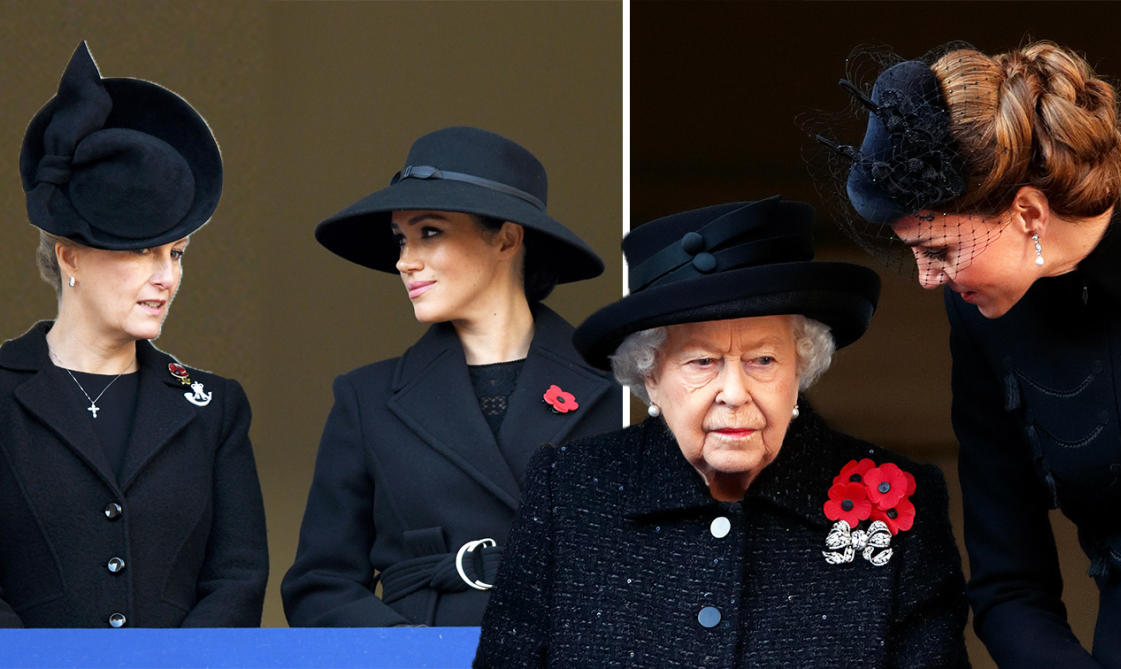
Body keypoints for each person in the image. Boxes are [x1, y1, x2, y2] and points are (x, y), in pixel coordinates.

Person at [823, 41, 1121, 667]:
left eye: (939, 250)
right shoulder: (984, 320)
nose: (926, 279)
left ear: (1026, 211)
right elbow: (1007, 585)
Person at [475, 196, 968, 667]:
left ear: (801, 367)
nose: (734, 392)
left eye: (763, 360)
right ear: (650, 374)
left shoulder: (900, 500)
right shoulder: (569, 492)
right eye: (703, 361)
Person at [281, 126, 622, 627]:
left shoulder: (618, 393)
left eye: (430, 233)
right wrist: (413, 656)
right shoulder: (366, 399)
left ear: (506, 237)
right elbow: (320, 586)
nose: (404, 260)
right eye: (400, 238)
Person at [0, 42, 267, 628]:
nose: (166, 277)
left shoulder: (214, 409)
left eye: (176, 253)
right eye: (142, 251)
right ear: (69, 256)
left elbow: (237, 580)